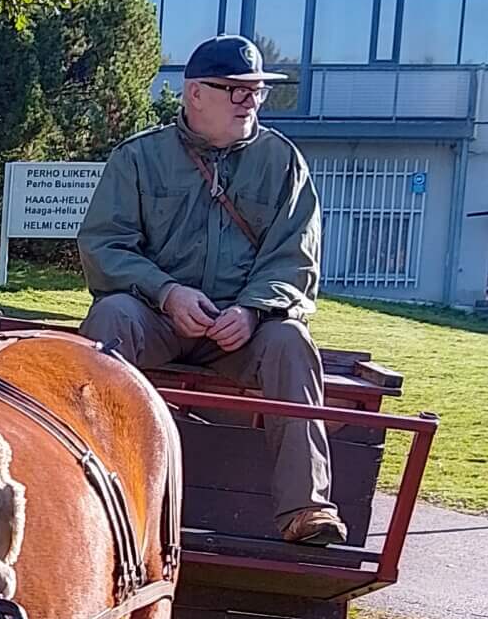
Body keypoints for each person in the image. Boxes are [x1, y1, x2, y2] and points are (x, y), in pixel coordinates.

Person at [77, 34, 346, 546]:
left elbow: (296, 259)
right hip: (154, 316)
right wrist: (167, 293)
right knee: (110, 317)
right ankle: (90, 490)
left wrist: (251, 311)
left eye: (258, 91)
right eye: (235, 90)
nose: (250, 102)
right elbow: (104, 246)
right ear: (194, 93)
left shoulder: (283, 164)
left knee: (292, 342)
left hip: (244, 332)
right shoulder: (138, 159)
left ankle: (306, 508)